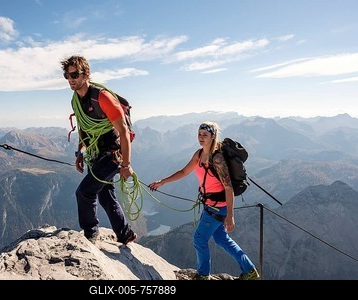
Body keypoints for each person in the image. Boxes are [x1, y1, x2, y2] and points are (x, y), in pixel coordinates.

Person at [148, 121, 259, 280]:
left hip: (217, 207)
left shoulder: (218, 159)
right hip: (210, 205)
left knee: (199, 239)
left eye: (204, 135)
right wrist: (162, 182)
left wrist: (230, 216)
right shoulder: (199, 154)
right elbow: (184, 171)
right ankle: (249, 270)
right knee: (222, 239)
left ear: (212, 137)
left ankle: (203, 275)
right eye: (199, 134)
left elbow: (228, 188)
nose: (201, 137)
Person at [60, 55, 137, 245]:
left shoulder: (102, 97)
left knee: (84, 192)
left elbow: (124, 133)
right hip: (95, 152)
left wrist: (126, 165)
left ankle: (90, 233)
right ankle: (125, 233)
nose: (71, 79)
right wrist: (80, 152)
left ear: (86, 74)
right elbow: (84, 128)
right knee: (105, 195)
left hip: (113, 152)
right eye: (67, 76)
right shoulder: (75, 100)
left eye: (75, 75)